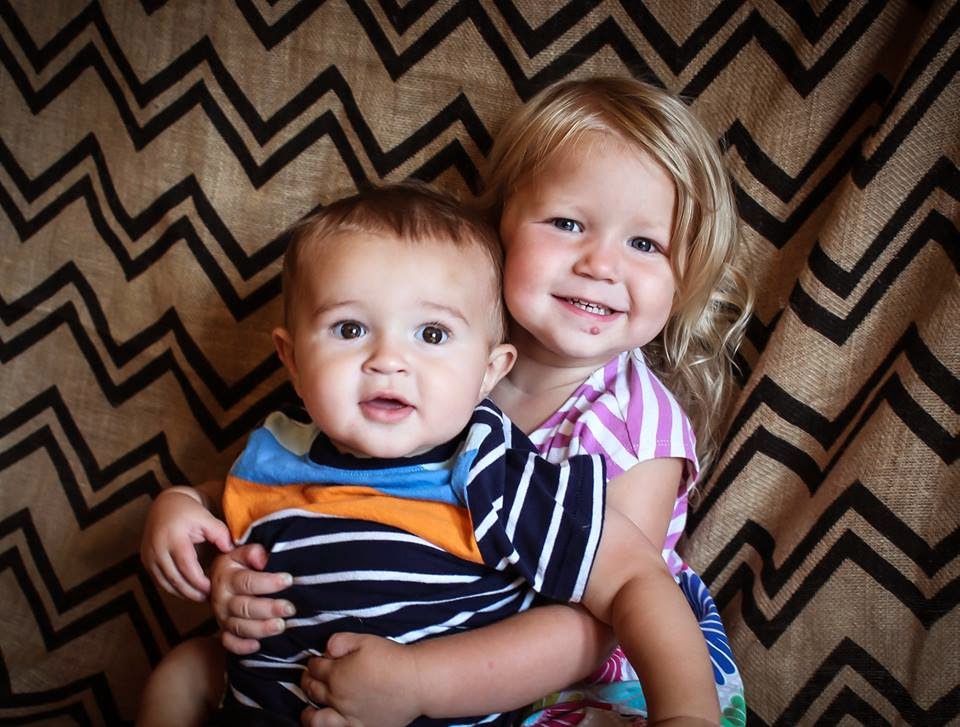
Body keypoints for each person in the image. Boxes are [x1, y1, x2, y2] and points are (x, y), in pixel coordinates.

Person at [142, 73, 753, 726]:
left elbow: (605, 613)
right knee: (186, 670)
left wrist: (419, 684)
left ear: (685, 274)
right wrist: (211, 541)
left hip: (574, 673)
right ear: (500, 231)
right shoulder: (424, 355)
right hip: (378, 638)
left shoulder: (637, 429)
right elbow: (304, 488)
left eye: (645, 243)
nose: (600, 265)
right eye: (567, 222)